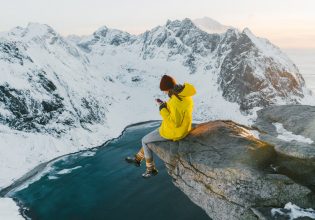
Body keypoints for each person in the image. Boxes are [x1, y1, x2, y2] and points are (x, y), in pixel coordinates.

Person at [125, 74, 196, 178]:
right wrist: (165, 104)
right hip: (184, 128)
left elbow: (174, 122)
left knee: (145, 140)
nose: (164, 92)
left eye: (164, 90)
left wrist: (162, 109)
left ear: (168, 88)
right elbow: (179, 112)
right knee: (150, 138)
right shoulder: (184, 95)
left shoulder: (175, 101)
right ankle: (137, 159)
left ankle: (150, 169)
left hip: (176, 132)